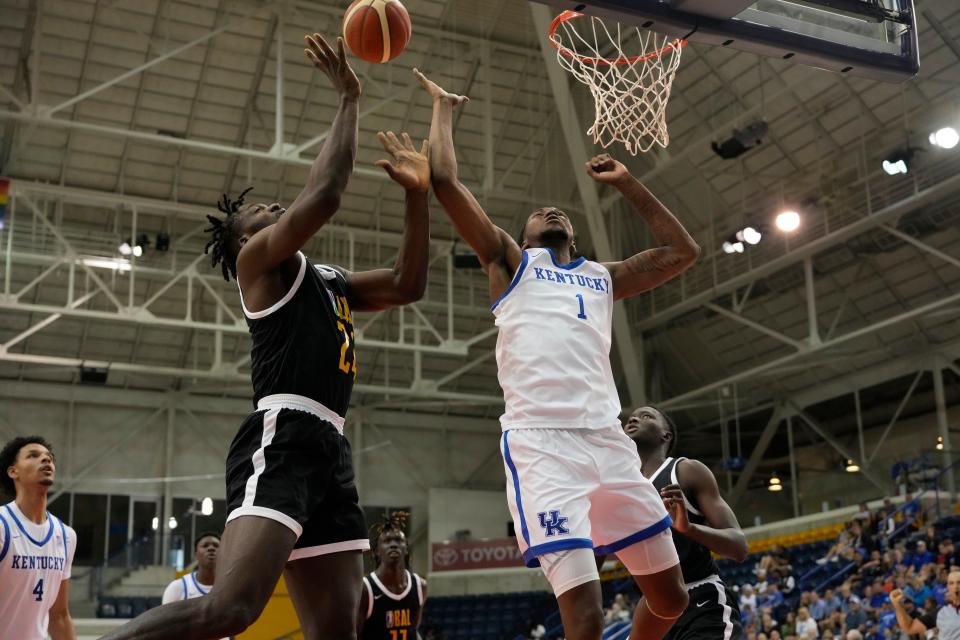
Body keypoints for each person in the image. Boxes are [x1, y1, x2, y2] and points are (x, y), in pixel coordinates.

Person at [102, 34, 432, 640]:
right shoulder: (258, 265)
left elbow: (409, 284)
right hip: (281, 436)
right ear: (241, 241)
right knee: (229, 610)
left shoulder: (328, 279)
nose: (274, 206)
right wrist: (349, 100)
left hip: (331, 449)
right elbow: (326, 194)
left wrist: (417, 197)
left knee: (339, 632)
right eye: (258, 212)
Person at [415, 66, 700, 640]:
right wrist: (444, 110)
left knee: (671, 602)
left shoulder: (602, 276)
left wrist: (627, 183)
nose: (554, 211)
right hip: (543, 447)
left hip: (607, 441)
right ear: (520, 236)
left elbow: (682, 250)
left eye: (562, 214)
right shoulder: (513, 264)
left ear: (577, 237)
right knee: (586, 619)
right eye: (540, 214)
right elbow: (445, 183)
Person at [626, 405, 748, 639]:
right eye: (630, 418)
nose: (633, 419)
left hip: (700, 600)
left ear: (666, 435)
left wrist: (688, 528)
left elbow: (739, 546)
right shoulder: (624, 490)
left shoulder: (684, 471)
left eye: (646, 416)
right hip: (655, 614)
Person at [0, 435, 78, 640]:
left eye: (49, 457)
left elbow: (59, 616)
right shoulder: (1, 526)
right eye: (33, 456)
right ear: (13, 471)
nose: (46, 460)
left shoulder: (66, 535)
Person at [358, 512, 427, 640]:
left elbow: (413, 630)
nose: (394, 544)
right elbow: (356, 634)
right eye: (387, 541)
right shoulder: (365, 589)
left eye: (399, 540)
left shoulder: (420, 586)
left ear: (406, 549)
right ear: (377, 551)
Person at [891, 571, 960, 639]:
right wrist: (897, 605)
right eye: (951, 583)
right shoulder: (940, 612)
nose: (956, 586)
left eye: (959, 582)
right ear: (948, 587)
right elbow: (909, 627)